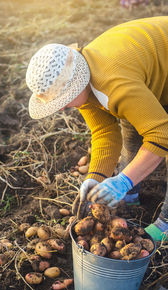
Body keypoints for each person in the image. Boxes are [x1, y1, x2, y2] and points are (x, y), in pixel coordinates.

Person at [25, 16, 168, 242]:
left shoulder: (114, 82)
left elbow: (162, 134)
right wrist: (96, 177)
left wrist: (123, 181)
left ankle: (165, 224)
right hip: (150, 73)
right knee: (132, 129)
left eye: (63, 99)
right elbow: (104, 132)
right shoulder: (81, 85)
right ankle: (130, 200)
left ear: (77, 85)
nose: (62, 108)